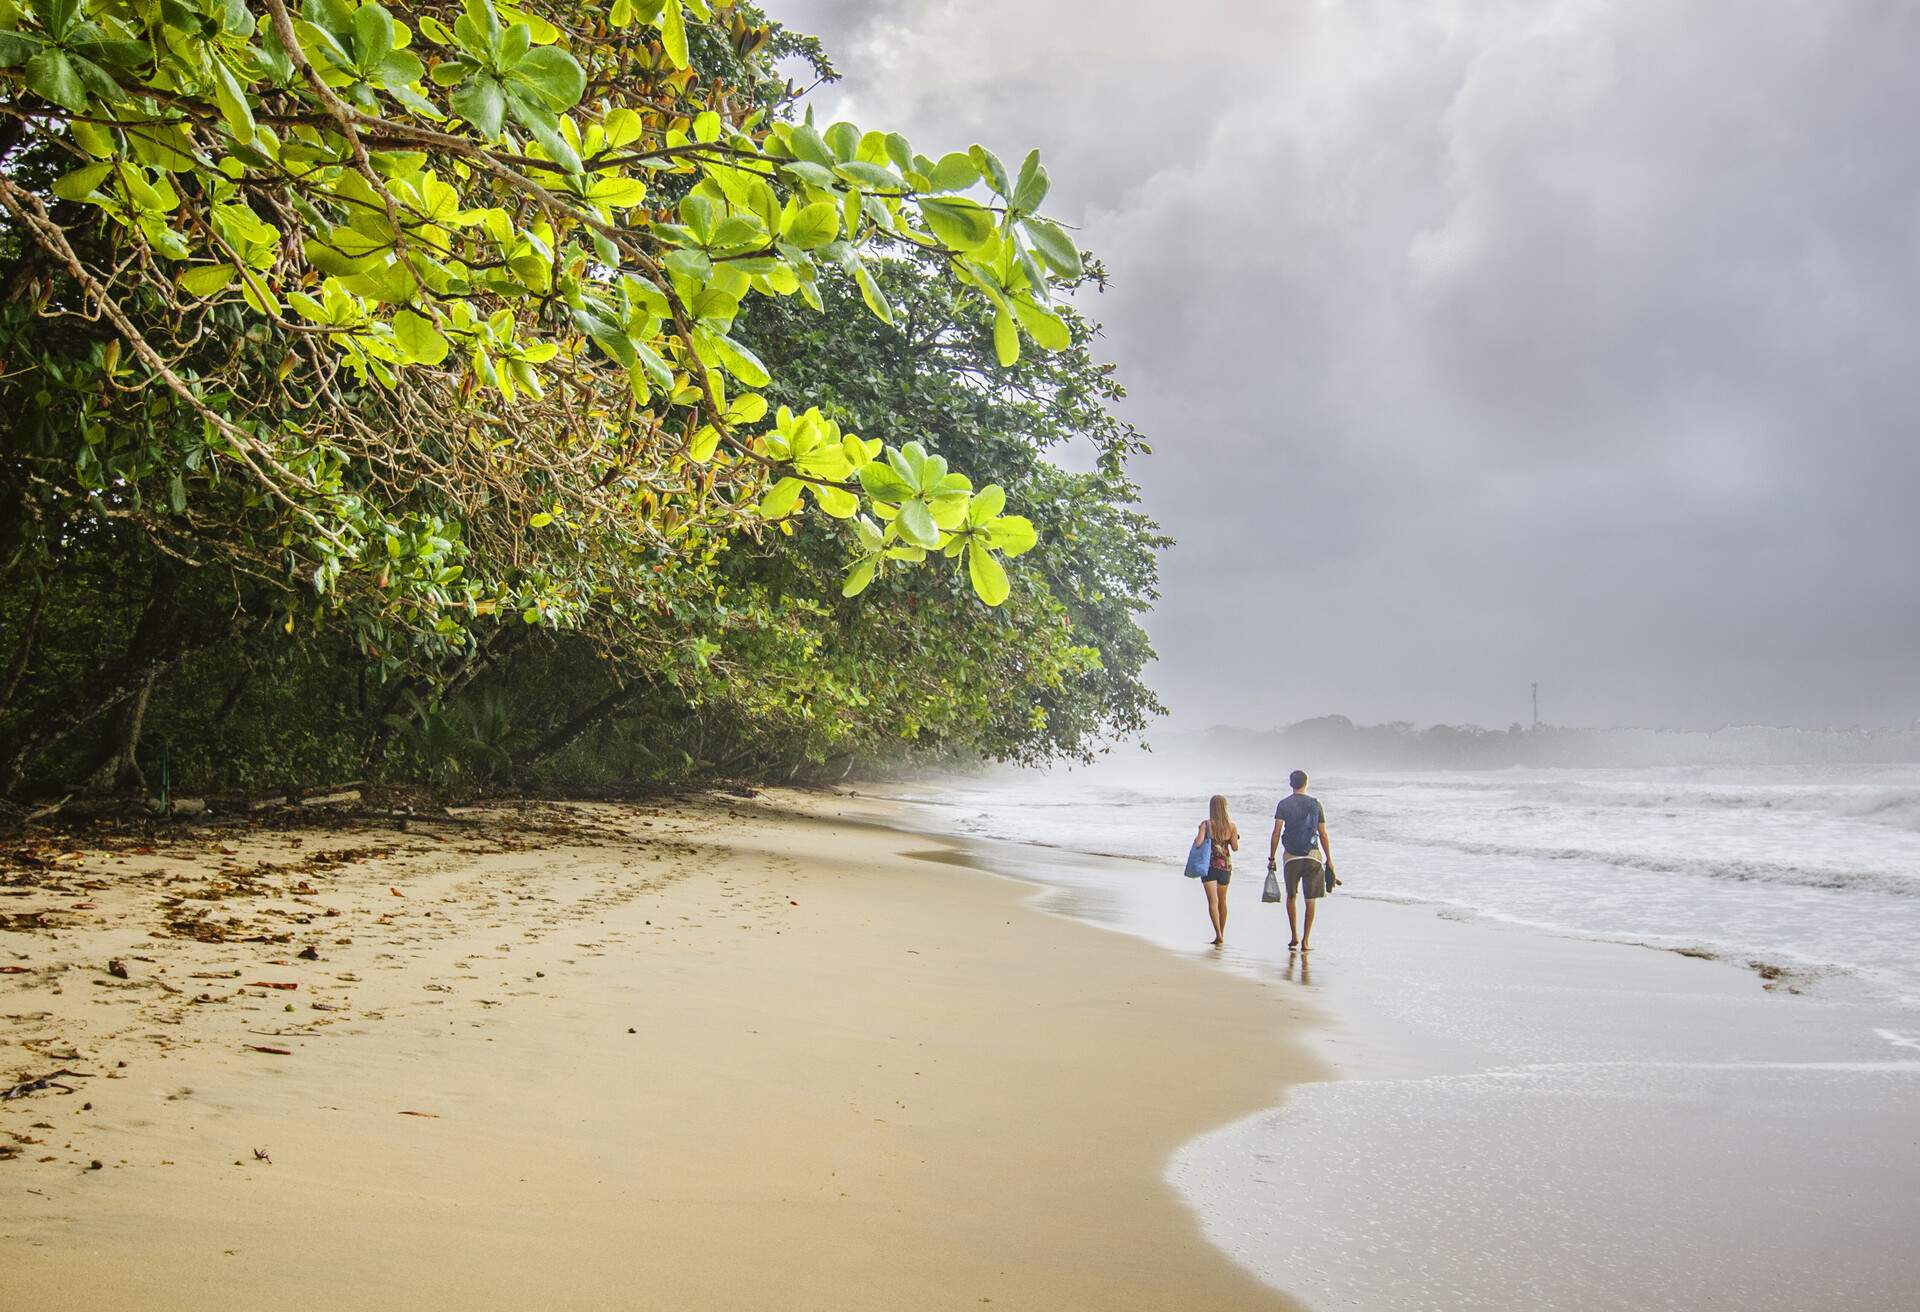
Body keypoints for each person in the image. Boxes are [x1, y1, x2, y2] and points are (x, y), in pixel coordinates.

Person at [1267, 769, 1332, 952]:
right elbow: (1323, 834)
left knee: (1291, 896)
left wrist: (1272, 857)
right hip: (1312, 855)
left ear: (1290, 784)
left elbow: (1276, 832)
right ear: (1306, 783)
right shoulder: (1315, 804)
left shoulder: (1284, 804)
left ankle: (1294, 935)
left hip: (1291, 856)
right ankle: (1305, 941)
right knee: (1310, 899)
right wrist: (1329, 859)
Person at [1194, 794, 1239, 946]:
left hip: (1209, 867)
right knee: (1222, 901)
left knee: (1212, 902)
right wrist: (1235, 837)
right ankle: (1223, 933)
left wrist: (1201, 830)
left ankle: (1218, 934)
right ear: (1225, 808)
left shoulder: (1206, 824)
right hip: (1225, 867)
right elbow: (1235, 848)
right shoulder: (1232, 826)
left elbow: (1199, 843)